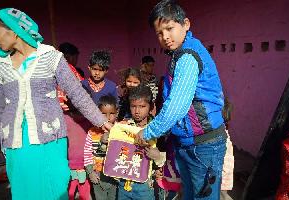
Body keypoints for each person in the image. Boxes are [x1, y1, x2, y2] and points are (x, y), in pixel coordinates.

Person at [0, 8, 111, 200]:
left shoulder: (50, 57)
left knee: (54, 189)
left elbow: (77, 93)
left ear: (13, 29)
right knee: (24, 191)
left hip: (49, 140)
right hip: (16, 144)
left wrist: (102, 121)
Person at [135, 1, 228, 199]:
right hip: (189, 142)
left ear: (186, 24)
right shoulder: (181, 52)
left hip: (203, 145)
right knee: (190, 194)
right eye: (159, 33)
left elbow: (176, 107)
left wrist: (149, 132)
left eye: (170, 28)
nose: (165, 37)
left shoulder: (187, 57)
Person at [117, 85, 166, 200]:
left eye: (142, 106)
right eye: (133, 106)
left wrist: (157, 156)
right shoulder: (124, 127)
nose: (137, 111)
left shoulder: (157, 130)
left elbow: (163, 158)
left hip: (146, 185)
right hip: (124, 182)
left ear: (151, 107)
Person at [84, 95, 119, 200]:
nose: (108, 117)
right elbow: (87, 155)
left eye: (111, 113)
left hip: (116, 175)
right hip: (98, 174)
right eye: (103, 113)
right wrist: (90, 172)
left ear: (117, 113)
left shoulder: (120, 131)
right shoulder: (92, 132)